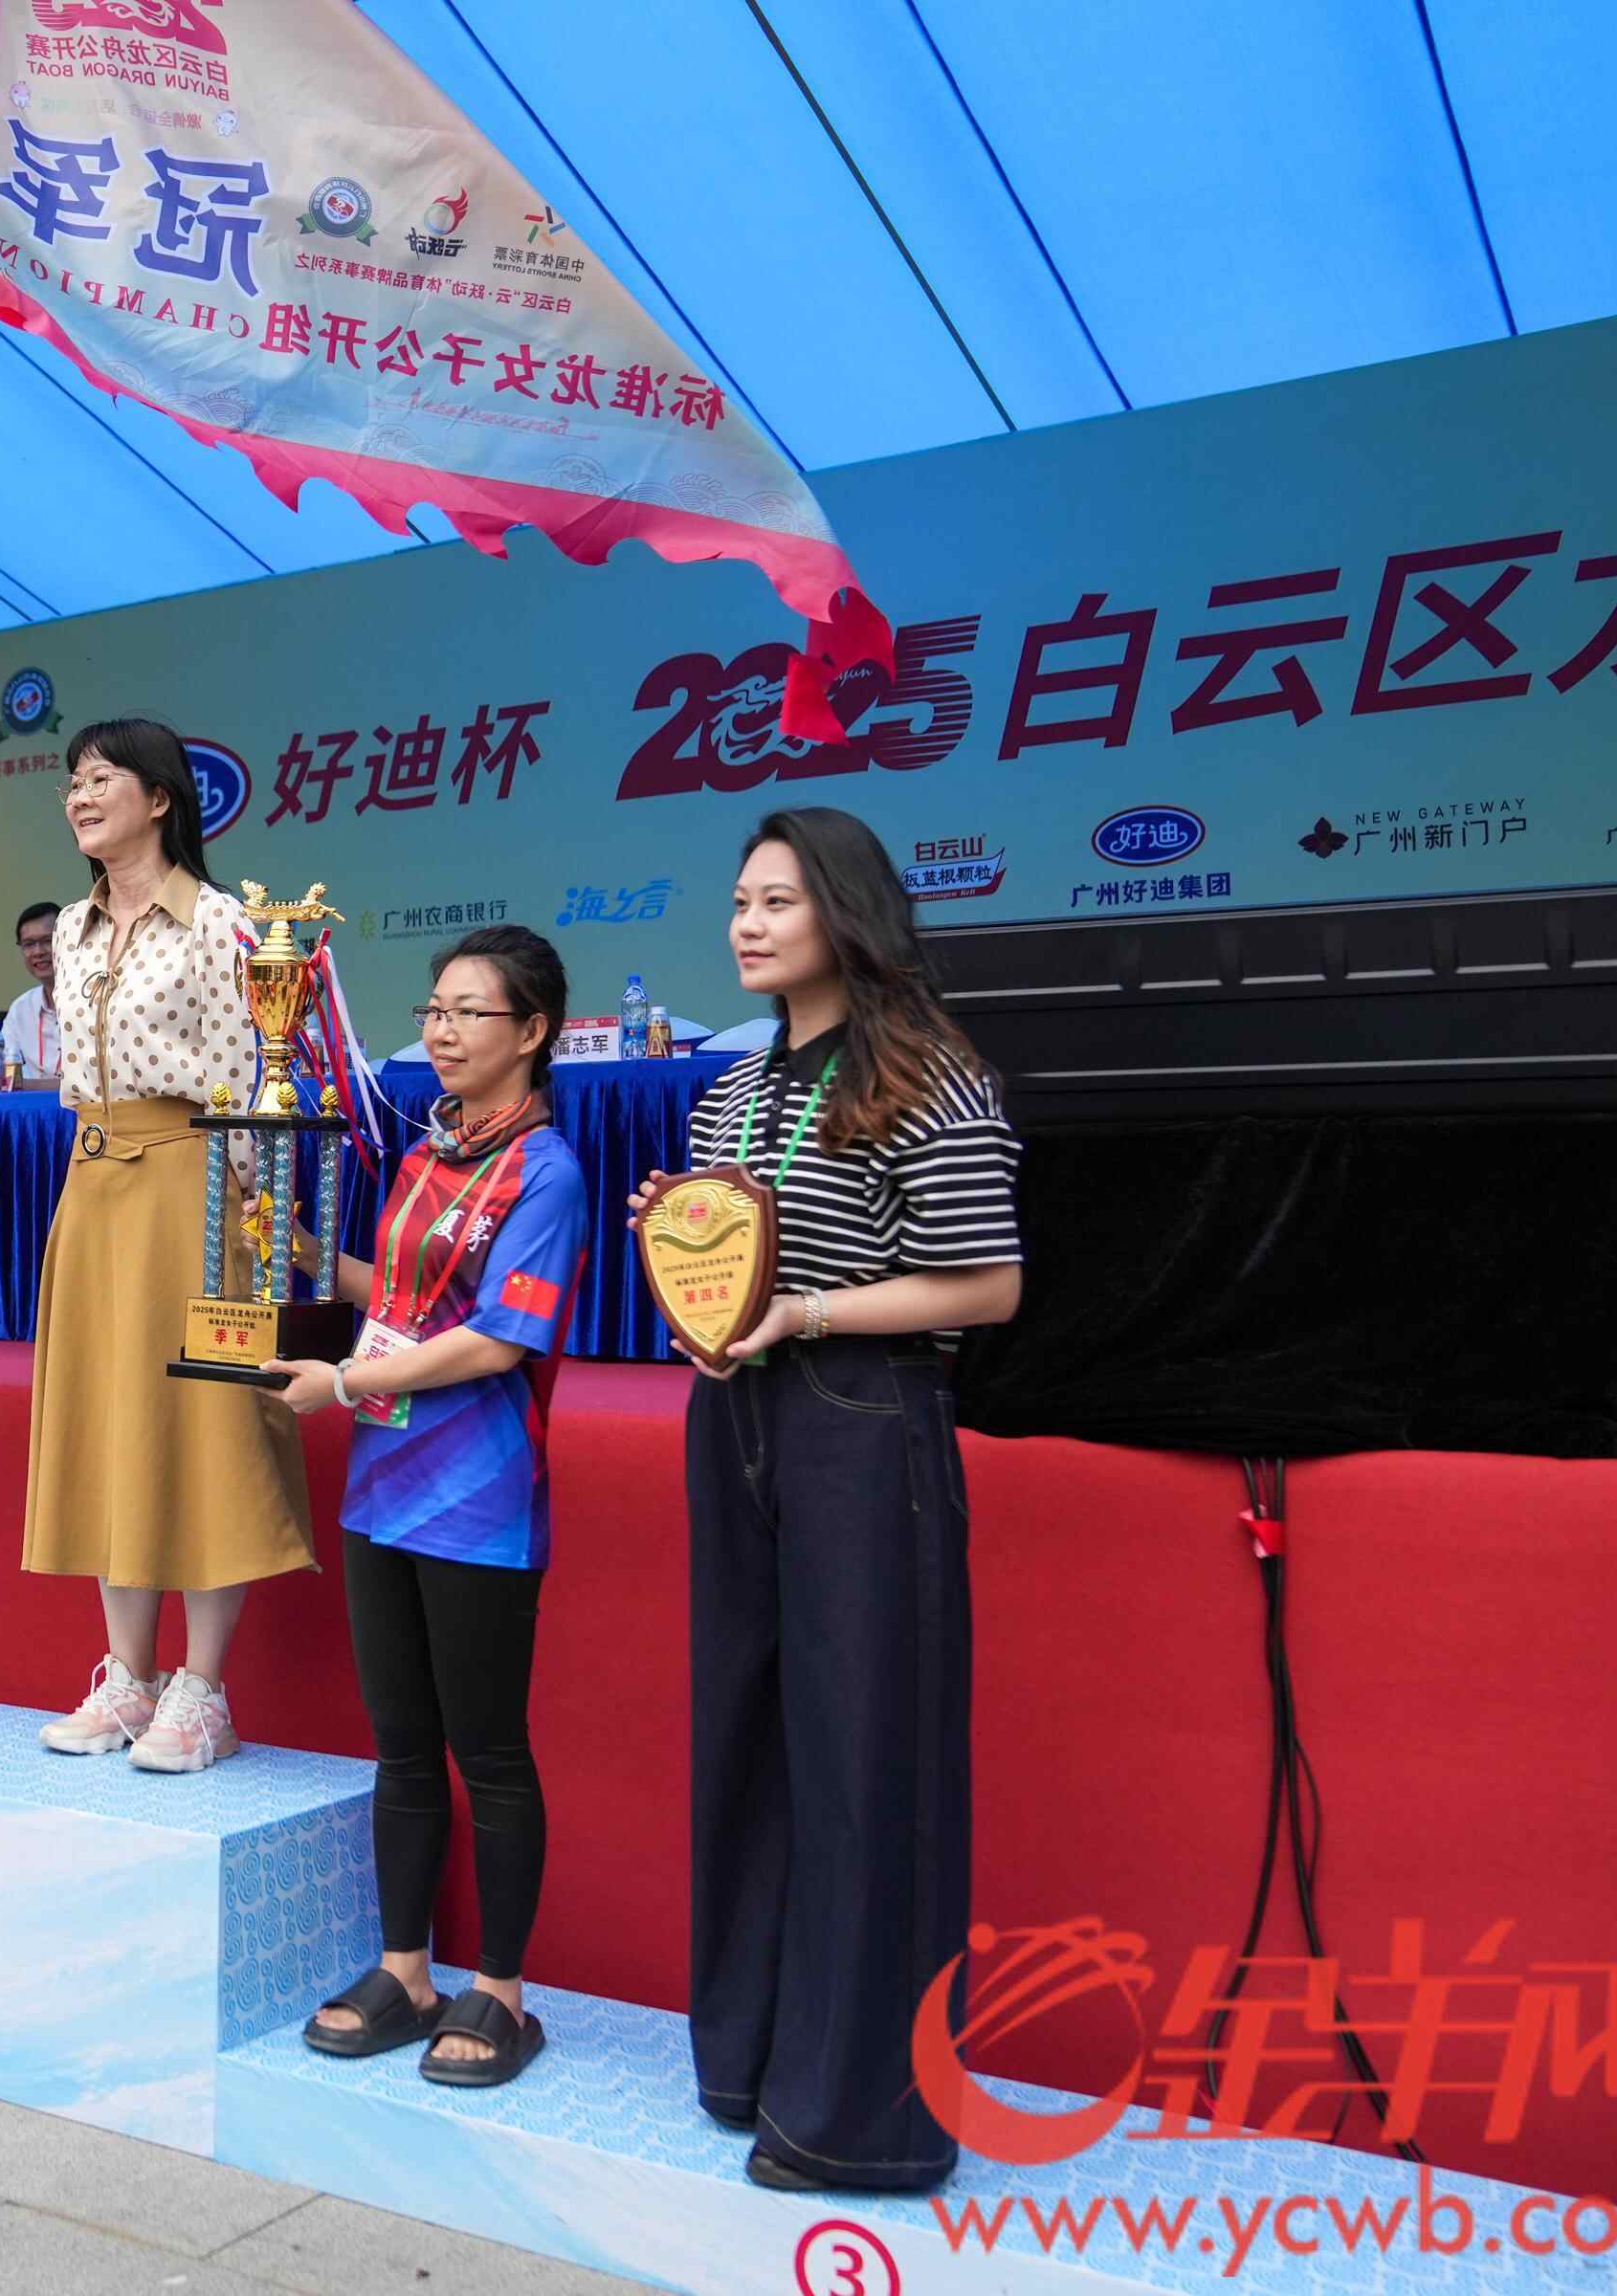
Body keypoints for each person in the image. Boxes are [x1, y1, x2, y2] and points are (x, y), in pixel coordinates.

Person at [625, 806, 1023, 2196]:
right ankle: (748, 2065)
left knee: (865, 1758)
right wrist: (692, 1261)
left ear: (845, 912)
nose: (747, 924)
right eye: (740, 901)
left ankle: (863, 2120)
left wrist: (802, 1312)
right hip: (736, 1414)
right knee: (744, 1738)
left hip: (865, 1419)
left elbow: (989, 1285)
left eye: (778, 902)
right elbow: (740, 1267)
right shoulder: (731, 1091)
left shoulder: (929, 1074)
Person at [273, 925, 587, 2086]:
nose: (442, 1032)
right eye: (433, 1011)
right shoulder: (426, 1158)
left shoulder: (547, 1172)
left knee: (488, 1753)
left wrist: (343, 1384)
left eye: (469, 1013)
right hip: (382, 1486)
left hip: (480, 1499)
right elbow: (399, 1306)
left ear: (533, 1032)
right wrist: (301, 1247)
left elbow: (499, 1340)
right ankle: (406, 1971)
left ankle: (500, 1992)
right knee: (402, 1750)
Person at [19, 719, 306, 1773]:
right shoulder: (74, 927)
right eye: (72, 781)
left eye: (102, 778)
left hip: (194, 1183)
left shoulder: (222, 924)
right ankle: (128, 1679)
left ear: (160, 798)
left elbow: (257, 1079)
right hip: (93, 1183)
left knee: (206, 1425)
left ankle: (204, 1690)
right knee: (110, 1421)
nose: (80, 795)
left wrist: (262, 1228)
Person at [0, 900, 63, 1081]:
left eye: (47, 941)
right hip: (33, 1101)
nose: (38, 951)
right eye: (29, 944)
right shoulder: (20, 1009)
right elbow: (4, 1077)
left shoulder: (94, 1001)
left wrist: (27, 1085)